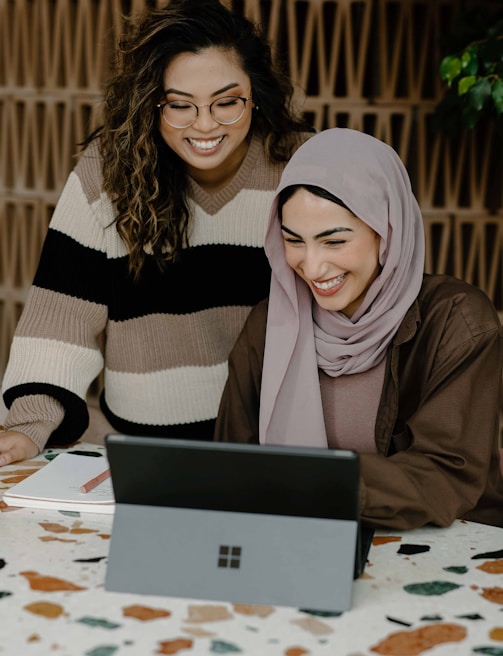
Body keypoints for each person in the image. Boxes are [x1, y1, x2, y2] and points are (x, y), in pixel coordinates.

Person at [0, 0, 314, 466]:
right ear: (151, 102)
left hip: (272, 452)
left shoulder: (300, 167)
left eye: (227, 102)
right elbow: (61, 316)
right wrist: (29, 426)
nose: (205, 125)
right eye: (180, 106)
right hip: (138, 454)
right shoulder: (107, 173)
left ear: (256, 95)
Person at [214, 127, 503, 530]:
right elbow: (232, 462)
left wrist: (311, 482)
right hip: (299, 542)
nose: (311, 267)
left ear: (386, 230)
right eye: (294, 241)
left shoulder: (457, 321)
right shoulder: (271, 324)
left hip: (440, 552)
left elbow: (446, 475)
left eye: (334, 241)